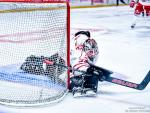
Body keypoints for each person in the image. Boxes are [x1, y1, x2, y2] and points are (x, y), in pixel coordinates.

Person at [69, 31, 100, 95]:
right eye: (91, 52)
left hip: (71, 58)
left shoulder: (88, 45)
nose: (93, 53)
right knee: (76, 80)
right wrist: (87, 70)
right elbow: (76, 66)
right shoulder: (79, 52)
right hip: (65, 61)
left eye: (95, 51)